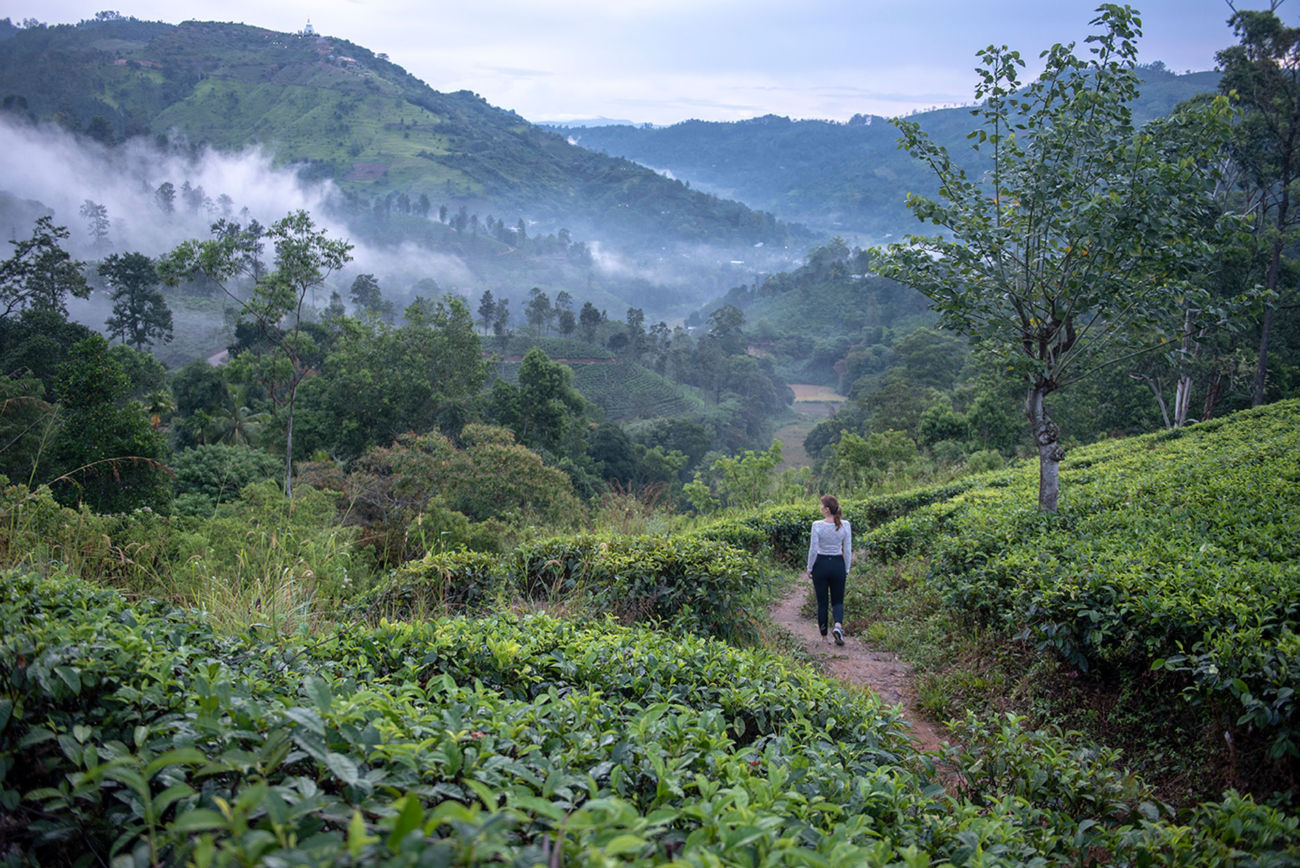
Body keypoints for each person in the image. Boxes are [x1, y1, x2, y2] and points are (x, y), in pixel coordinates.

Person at [804, 494, 851, 645]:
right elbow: (848, 550)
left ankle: (824, 637)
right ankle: (838, 625)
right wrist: (847, 567)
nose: (820, 507)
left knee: (822, 602)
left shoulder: (817, 525)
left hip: (821, 564)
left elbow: (813, 550)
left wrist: (810, 567)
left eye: (821, 505)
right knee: (838, 601)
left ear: (826, 509)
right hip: (838, 564)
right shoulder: (845, 525)